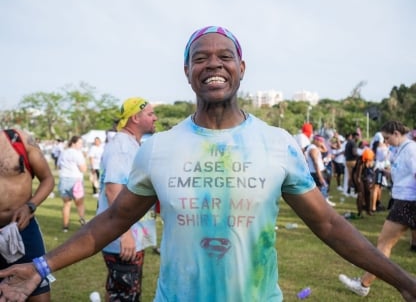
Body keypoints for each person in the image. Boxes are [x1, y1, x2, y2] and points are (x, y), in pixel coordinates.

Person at [0, 26, 415, 302]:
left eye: (225, 56)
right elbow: (112, 221)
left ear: (241, 68)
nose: (213, 63)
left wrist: (403, 282)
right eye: (201, 57)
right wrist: (41, 266)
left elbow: (329, 225)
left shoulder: (276, 144)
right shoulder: (159, 147)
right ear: (187, 71)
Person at [339, 120, 416, 297]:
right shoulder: (404, 148)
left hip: (407, 202)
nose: (386, 142)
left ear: (397, 133)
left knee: (383, 244)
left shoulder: (411, 149)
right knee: (384, 244)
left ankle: (363, 284)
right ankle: (363, 283)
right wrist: (388, 172)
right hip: (404, 200)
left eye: (388, 138)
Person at [97, 97, 158, 301]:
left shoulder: (130, 144)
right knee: (125, 296)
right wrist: (125, 235)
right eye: (150, 114)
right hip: (123, 239)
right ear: (135, 118)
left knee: (121, 293)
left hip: (130, 235)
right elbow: (113, 190)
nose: (155, 118)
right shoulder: (122, 147)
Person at [0, 129, 55, 301]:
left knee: (38, 293)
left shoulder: (20, 140)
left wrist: (30, 206)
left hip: (23, 230)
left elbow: (47, 179)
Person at [57, 136, 87, 232]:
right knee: (80, 204)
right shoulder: (78, 154)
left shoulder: (63, 152)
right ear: (74, 143)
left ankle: (65, 226)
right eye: (80, 143)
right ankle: (82, 222)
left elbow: (58, 166)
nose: (81, 145)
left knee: (66, 204)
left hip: (64, 179)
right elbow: (83, 169)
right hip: (76, 180)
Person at [305, 135, 336, 206]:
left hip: (319, 171)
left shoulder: (314, 147)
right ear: (316, 140)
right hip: (317, 172)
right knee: (319, 190)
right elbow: (315, 163)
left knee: (323, 188)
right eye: (320, 141)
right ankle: (319, 204)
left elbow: (325, 151)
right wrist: (320, 177)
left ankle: (323, 202)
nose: (322, 143)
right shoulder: (313, 149)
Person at [352, 148, 375, 216]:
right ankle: (360, 211)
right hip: (358, 177)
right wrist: (358, 185)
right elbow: (358, 175)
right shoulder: (360, 161)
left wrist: (372, 183)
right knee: (361, 194)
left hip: (366, 177)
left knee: (368, 192)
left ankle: (368, 210)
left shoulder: (370, 161)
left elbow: (372, 173)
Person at [344, 132, 360, 197]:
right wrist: (361, 156)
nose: (358, 138)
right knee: (355, 177)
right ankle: (354, 191)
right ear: (354, 136)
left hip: (347, 161)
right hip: (353, 161)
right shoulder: (354, 143)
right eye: (357, 136)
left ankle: (348, 190)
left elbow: (345, 153)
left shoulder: (348, 143)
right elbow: (354, 153)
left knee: (350, 177)